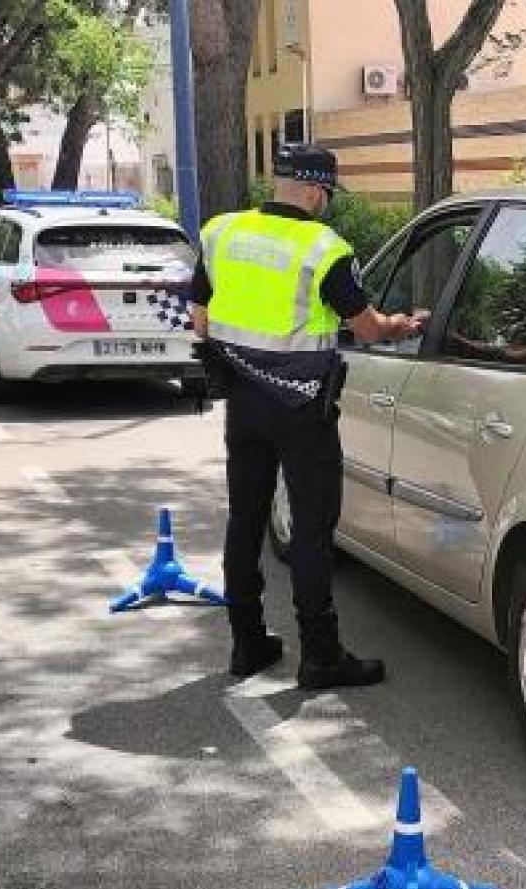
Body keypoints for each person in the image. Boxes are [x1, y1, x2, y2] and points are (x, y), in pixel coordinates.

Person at [188, 144, 423, 690]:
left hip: (243, 404)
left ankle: (247, 644)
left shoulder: (222, 233)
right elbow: (367, 328)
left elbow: (200, 321)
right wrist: (402, 325)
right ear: (318, 191)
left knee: (245, 520)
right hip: (302, 408)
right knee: (312, 531)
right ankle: (320, 656)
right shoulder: (324, 248)